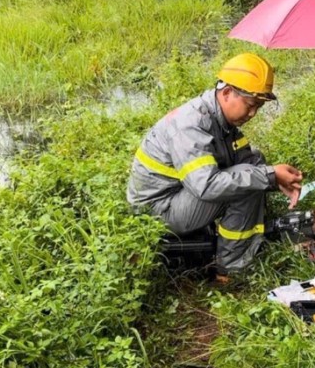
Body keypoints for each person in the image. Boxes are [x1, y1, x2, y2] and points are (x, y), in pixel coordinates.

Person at [127, 53, 303, 274]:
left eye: (259, 106)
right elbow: (207, 186)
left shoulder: (220, 120)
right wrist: (267, 176)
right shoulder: (190, 126)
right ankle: (232, 266)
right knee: (251, 178)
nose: (252, 113)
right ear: (227, 92)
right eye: (250, 104)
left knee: (256, 164)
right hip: (157, 211)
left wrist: (275, 179)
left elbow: (248, 159)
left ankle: (248, 239)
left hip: (179, 195)